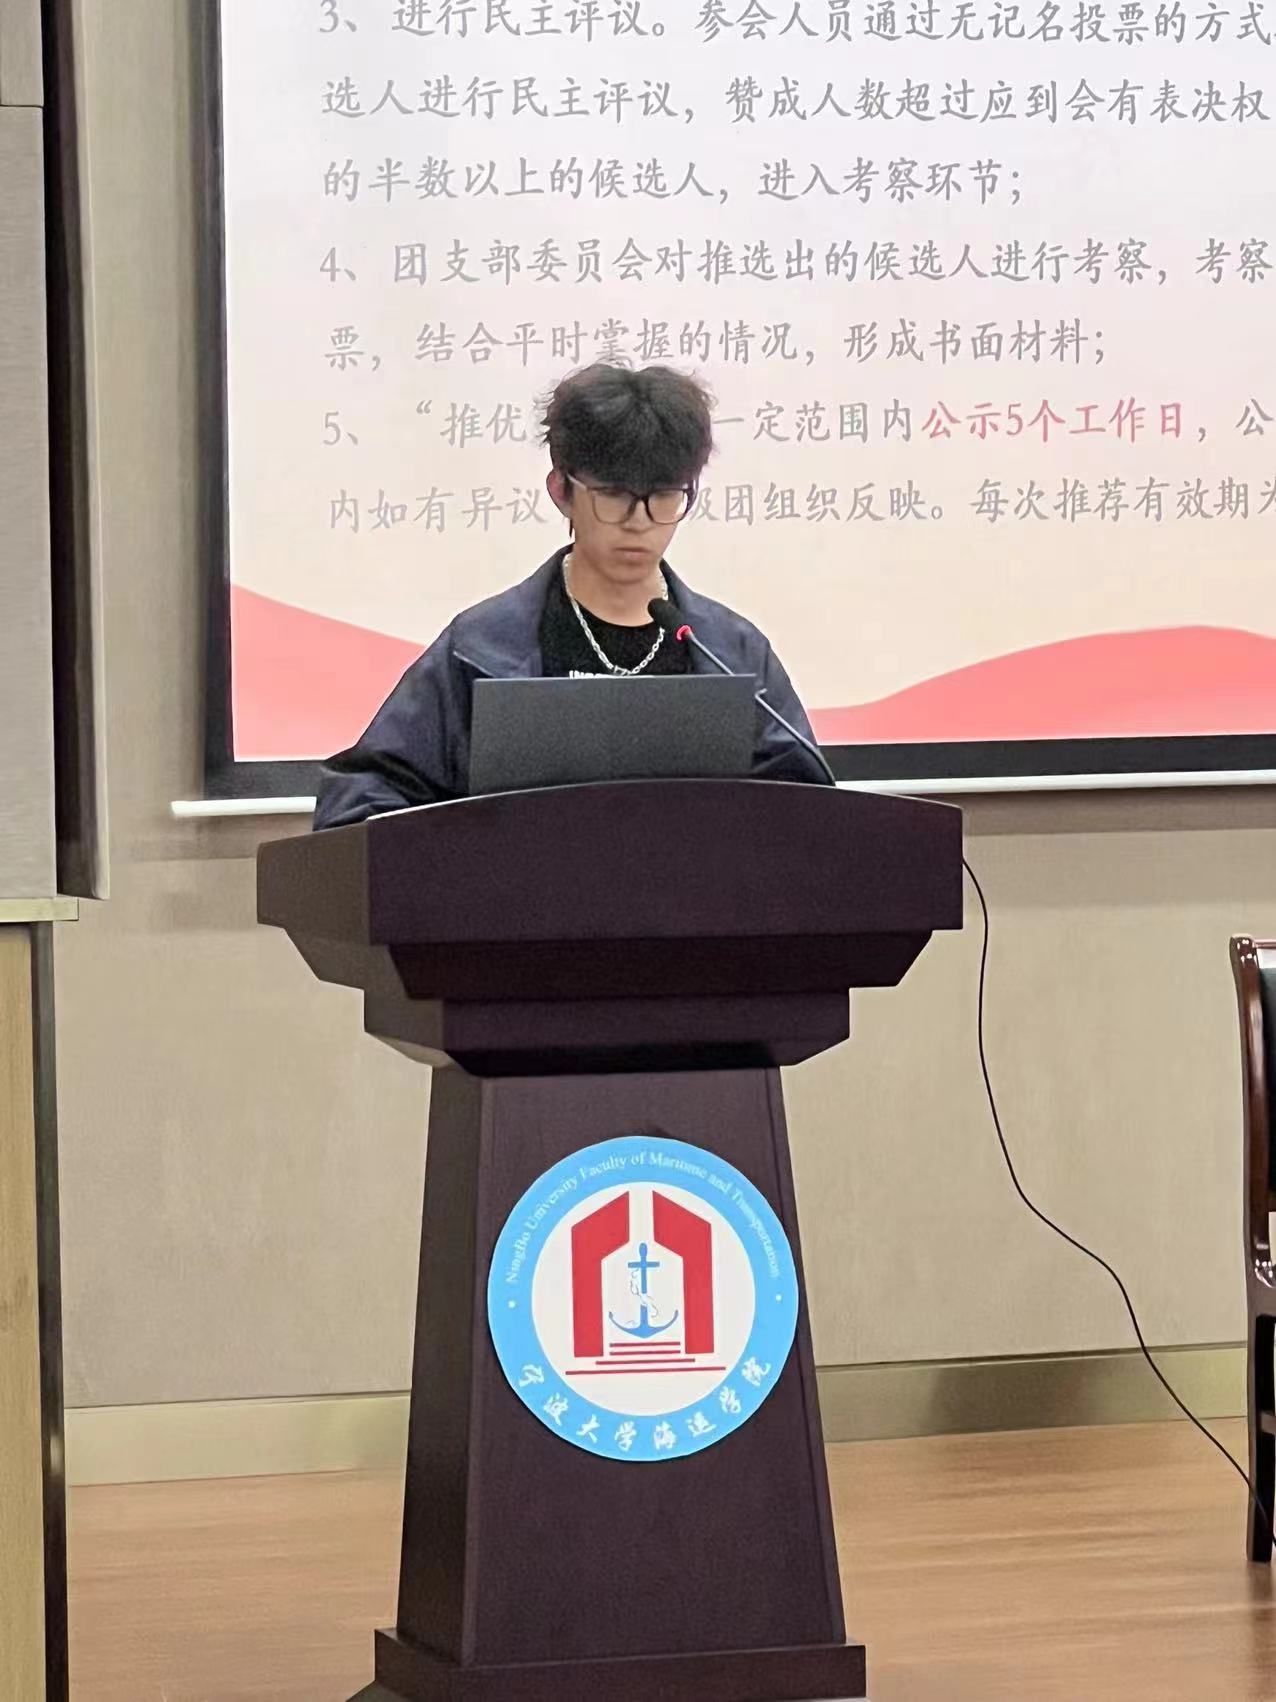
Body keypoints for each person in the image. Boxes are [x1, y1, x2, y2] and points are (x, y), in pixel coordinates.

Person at [313, 363, 831, 830]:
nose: (639, 522)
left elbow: (807, 811)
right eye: (613, 495)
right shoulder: (481, 648)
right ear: (561, 490)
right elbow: (363, 801)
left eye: (664, 496)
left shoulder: (731, 652)